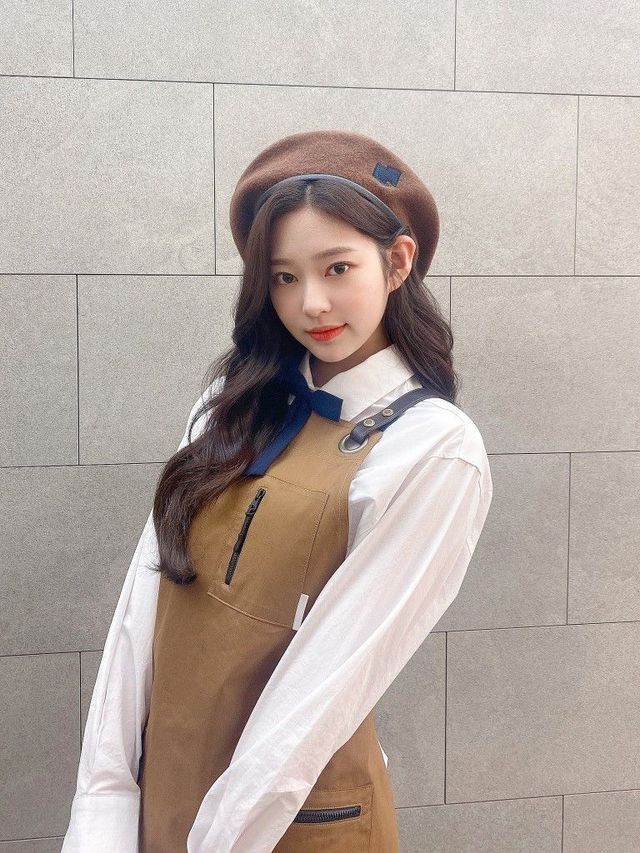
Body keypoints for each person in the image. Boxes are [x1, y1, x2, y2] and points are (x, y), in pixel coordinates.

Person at [61, 129, 493, 852]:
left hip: (285, 824)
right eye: (284, 277)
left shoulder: (433, 448)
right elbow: (141, 615)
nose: (311, 303)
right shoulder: (228, 408)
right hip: (164, 799)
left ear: (397, 262)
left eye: (337, 267)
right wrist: (104, 806)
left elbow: (320, 694)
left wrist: (216, 840)